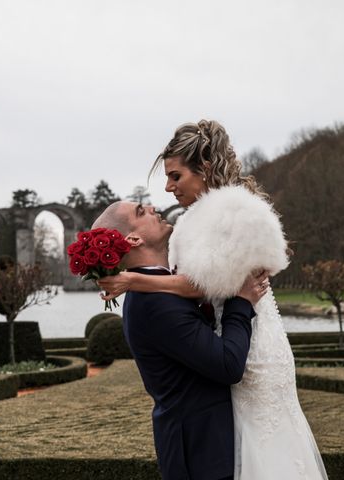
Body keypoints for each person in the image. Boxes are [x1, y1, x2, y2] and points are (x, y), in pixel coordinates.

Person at [98, 120, 329, 479]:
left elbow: (206, 286)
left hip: (254, 351)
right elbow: (195, 286)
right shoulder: (187, 224)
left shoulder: (238, 211)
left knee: (267, 449)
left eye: (175, 176)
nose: (167, 187)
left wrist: (134, 279)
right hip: (229, 347)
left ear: (203, 169)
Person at [91, 200, 269, 480]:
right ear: (133, 239)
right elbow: (228, 364)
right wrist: (241, 302)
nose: (151, 207)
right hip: (203, 456)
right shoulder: (155, 303)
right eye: (141, 211)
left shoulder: (160, 289)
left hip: (207, 447)